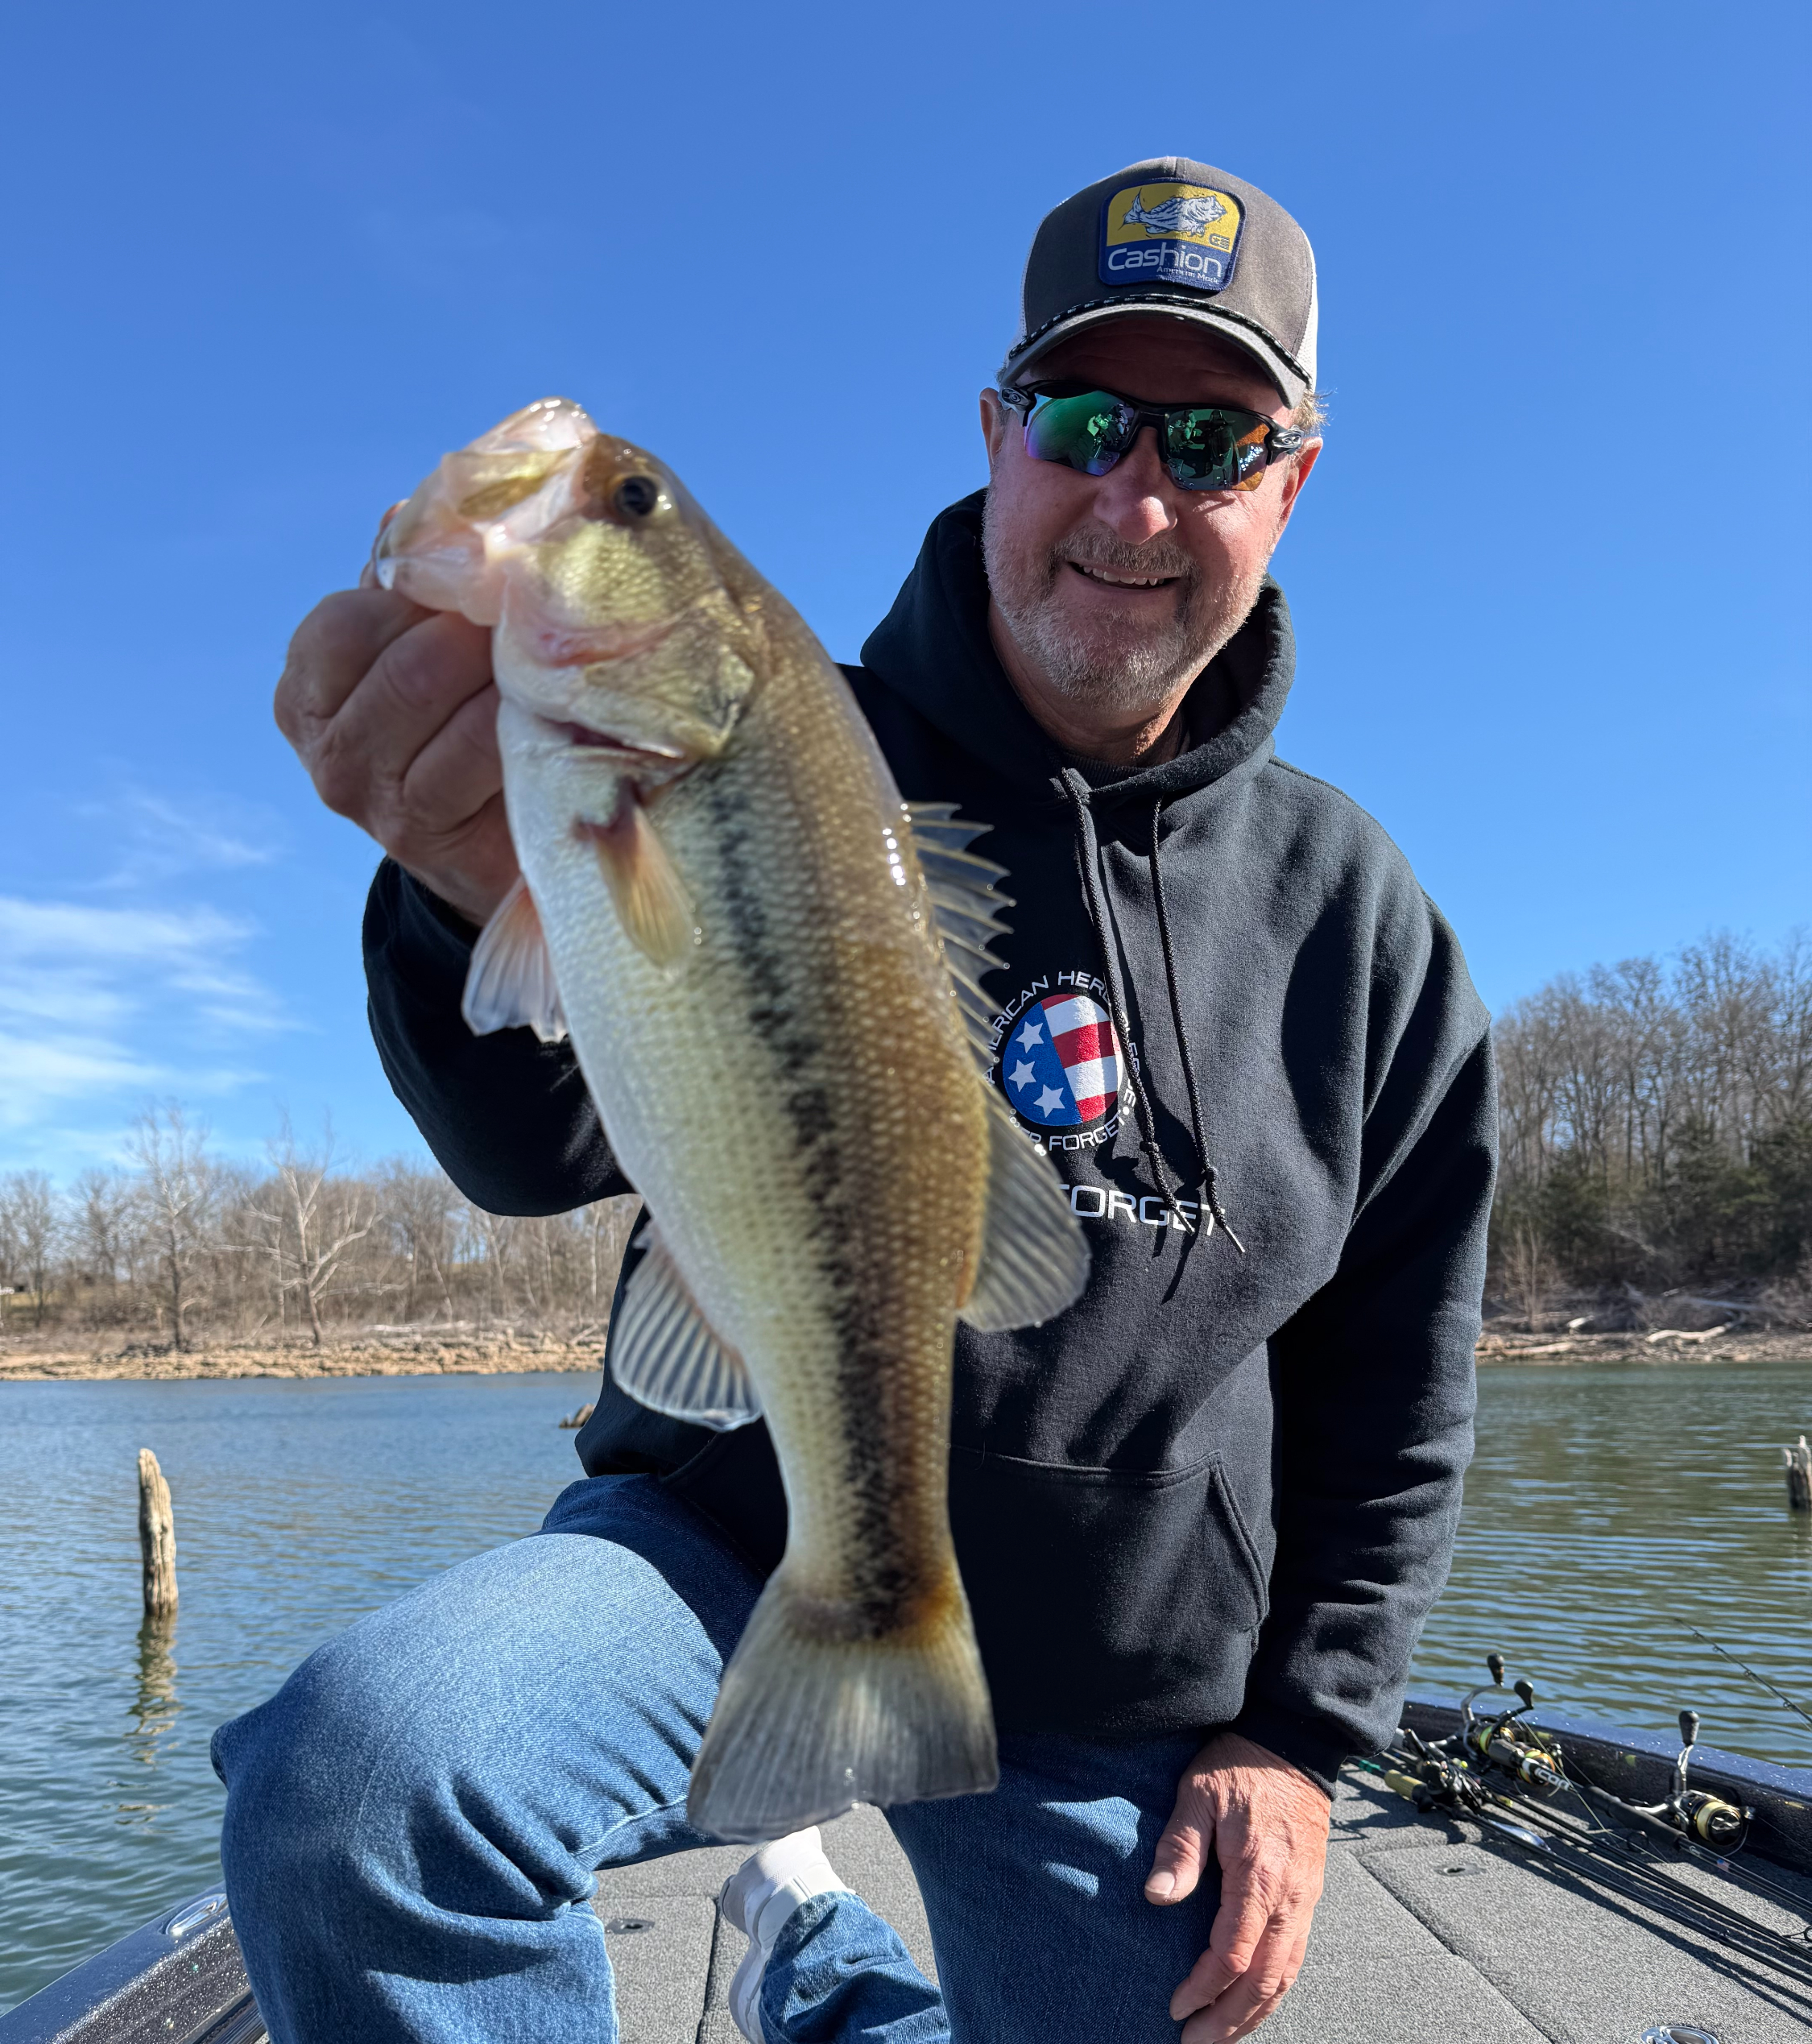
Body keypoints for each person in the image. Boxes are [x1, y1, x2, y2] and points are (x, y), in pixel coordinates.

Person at [217, 156, 1496, 2044]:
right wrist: (462, 889)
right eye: (1084, 421)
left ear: (1288, 486)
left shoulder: (1364, 922)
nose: (1136, 495)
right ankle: (811, 1923)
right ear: (997, 435)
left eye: (1213, 441)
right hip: (725, 1552)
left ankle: (811, 1962)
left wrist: (1303, 1740)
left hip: (1122, 1678)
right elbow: (522, 1147)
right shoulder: (778, 755)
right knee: (364, 1784)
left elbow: (1401, 1382)